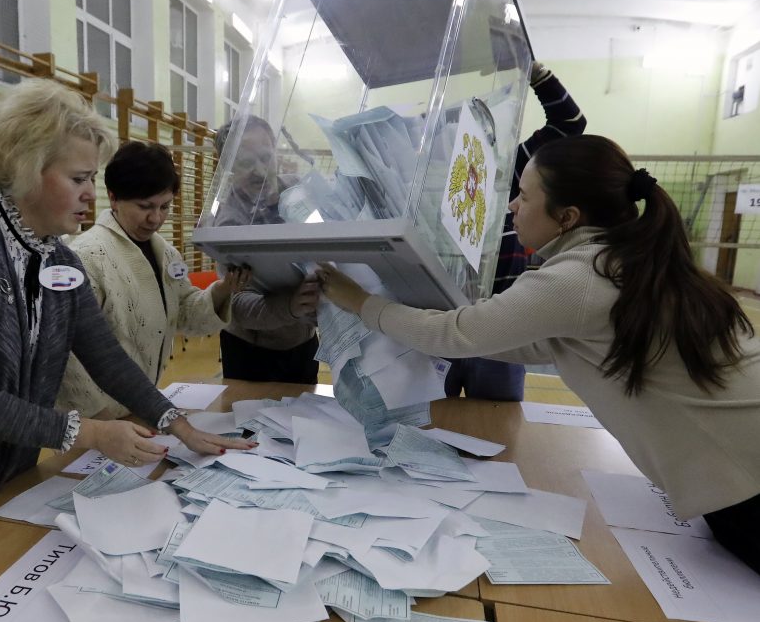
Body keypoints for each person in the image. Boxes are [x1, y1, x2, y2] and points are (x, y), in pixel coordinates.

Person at [0, 79, 253, 564]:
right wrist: (92, 433)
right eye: (78, 179)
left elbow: (106, 357)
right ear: (27, 171)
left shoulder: (60, 262)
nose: (90, 196)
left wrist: (175, 423)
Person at [318, 134, 760, 574]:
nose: (512, 206)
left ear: (567, 217)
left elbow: (455, 335)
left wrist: (360, 302)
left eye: (524, 196)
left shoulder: (580, 277)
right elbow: (532, 342)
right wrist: (445, 317)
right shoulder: (627, 260)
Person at [56, 140, 250, 418]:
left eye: (165, 206)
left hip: (142, 406)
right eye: (145, 206)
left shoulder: (165, 253)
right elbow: (69, 356)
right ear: (113, 198)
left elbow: (185, 315)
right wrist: (102, 420)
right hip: (98, 418)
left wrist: (222, 290)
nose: (155, 218)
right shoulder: (86, 257)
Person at [444, 61, 586, 401]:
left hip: (501, 329)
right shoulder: (421, 185)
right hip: (440, 328)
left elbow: (570, 123)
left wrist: (536, 74)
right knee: (427, 425)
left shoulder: (505, 170)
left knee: (499, 431)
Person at [213, 116, 320, 383]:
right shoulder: (228, 224)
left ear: (275, 150)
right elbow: (237, 305)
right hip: (251, 350)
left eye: (265, 157)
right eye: (246, 163)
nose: (259, 171)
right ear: (227, 167)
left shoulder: (297, 191)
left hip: (303, 340)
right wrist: (292, 305)